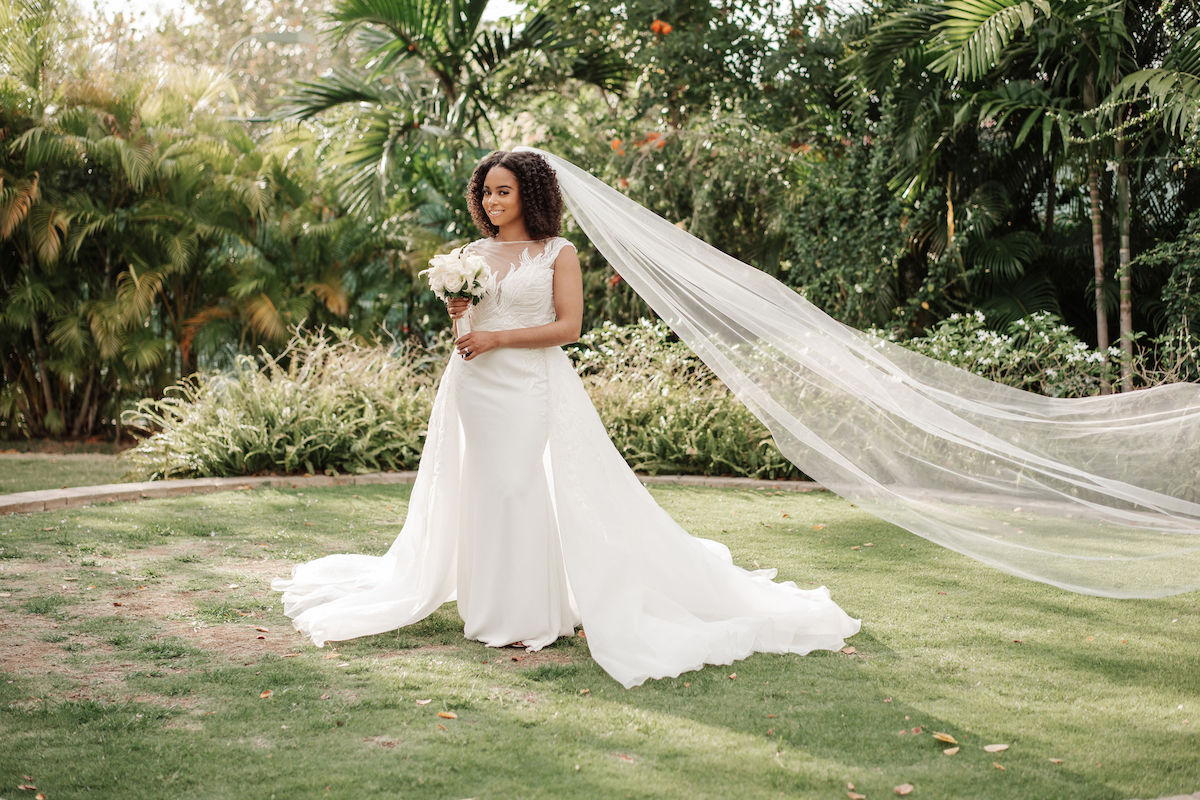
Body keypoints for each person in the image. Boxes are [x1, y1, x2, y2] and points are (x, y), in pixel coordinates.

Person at [273, 150, 861, 688]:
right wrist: (460, 315)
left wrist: (497, 337)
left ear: (529, 194)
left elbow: (568, 328)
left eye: (503, 192)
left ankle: (534, 612)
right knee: (483, 488)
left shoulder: (559, 253)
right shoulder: (470, 257)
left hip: (530, 382)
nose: (491, 202)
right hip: (476, 385)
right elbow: (466, 335)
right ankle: (487, 608)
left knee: (518, 485)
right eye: (485, 193)